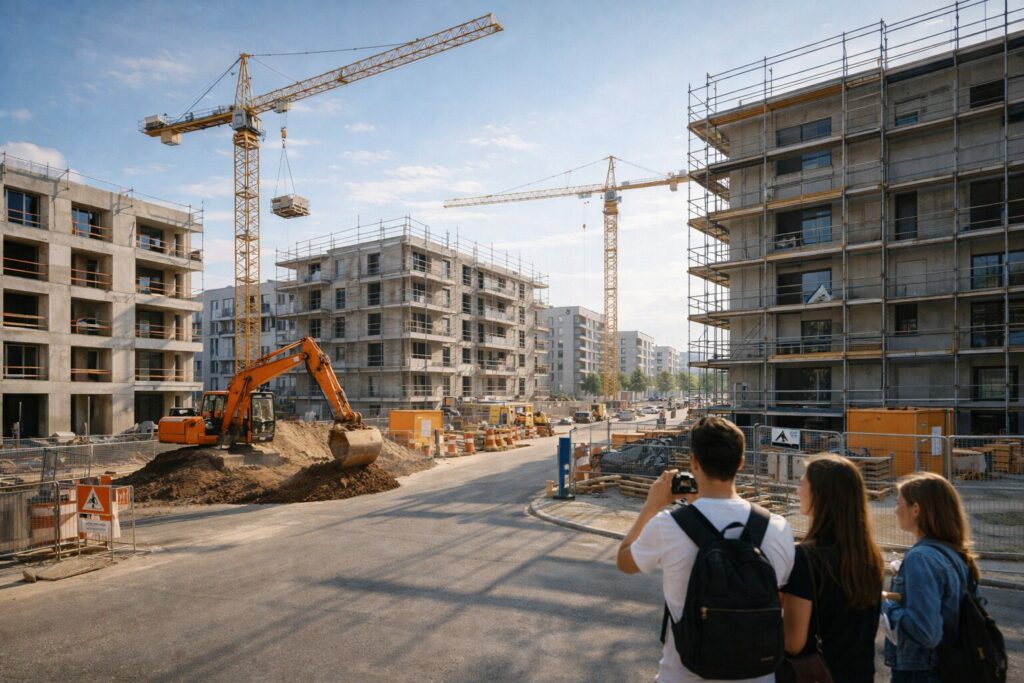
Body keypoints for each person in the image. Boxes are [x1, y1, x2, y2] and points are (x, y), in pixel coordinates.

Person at [617, 416, 795, 683]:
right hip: (757, 674)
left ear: (694, 463)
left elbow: (624, 561)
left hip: (683, 674)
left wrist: (651, 506)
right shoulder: (778, 528)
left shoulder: (669, 526)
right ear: (741, 462)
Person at [781, 454, 885, 683]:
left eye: (802, 483)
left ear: (819, 494)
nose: (798, 491)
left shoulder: (806, 558)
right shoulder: (870, 557)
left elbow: (793, 642)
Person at [882, 472, 981, 683]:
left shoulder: (921, 558)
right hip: (950, 667)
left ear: (916, 509)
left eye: (898, 503)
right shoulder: (955, 554)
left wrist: (886, 605)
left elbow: (926, 632)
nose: (895, 510)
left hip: (921, 672)